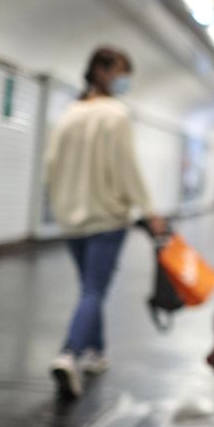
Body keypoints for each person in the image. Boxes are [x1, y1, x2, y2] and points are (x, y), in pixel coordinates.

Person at [45, 46, 166, 399]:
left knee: (89, 286)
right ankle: (70, 353)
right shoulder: (116, 115)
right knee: (94, 289)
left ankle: (96, 352)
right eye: (121, 71)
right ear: (100, 70)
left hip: (71, 218)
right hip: (106, 216)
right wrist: (149, 211)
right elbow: (127, 168)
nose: (125, 80)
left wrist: (61, 205)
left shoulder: (67, 114)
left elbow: (51, 167)